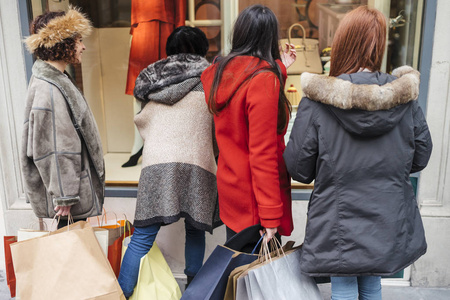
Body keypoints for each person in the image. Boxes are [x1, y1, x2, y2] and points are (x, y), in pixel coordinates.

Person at [283, 6, 432, 300]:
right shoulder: (403, 98)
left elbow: (299, 167)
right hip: (387, 212)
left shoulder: (318, 101)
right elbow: (421, 156)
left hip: (337, 214)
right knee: (371, 282)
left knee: (343, 283)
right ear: (379, 46)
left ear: (343, 43)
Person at [118, 26, 221, 297]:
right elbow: (217, 128)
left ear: (169, 50)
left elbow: (143, 122)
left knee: (141, 238)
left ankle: (121, 294)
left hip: (156, 166)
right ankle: (195, 293)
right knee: (195, 231)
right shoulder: (210, 81)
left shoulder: (151, 82)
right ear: (202, 50)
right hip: (198, 164)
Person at [201, 4, 297, 245]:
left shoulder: (220, 72)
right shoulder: (263, 79)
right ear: (270, 37)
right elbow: (262, 153)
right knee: (257, 277)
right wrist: (271, 214)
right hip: (256, 197)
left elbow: (244, 102)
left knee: (239, 267)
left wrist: (279, 71)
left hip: (232, 186)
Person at [21, 8, 105, 229]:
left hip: (70, 188)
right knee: (69, 250)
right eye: (78, 40)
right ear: (62, 43)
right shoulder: (50, 88)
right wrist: (64, 196)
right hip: (68, 195)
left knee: (70, 247)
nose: (83, 46)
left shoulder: (55, 80)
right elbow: (57, 147)